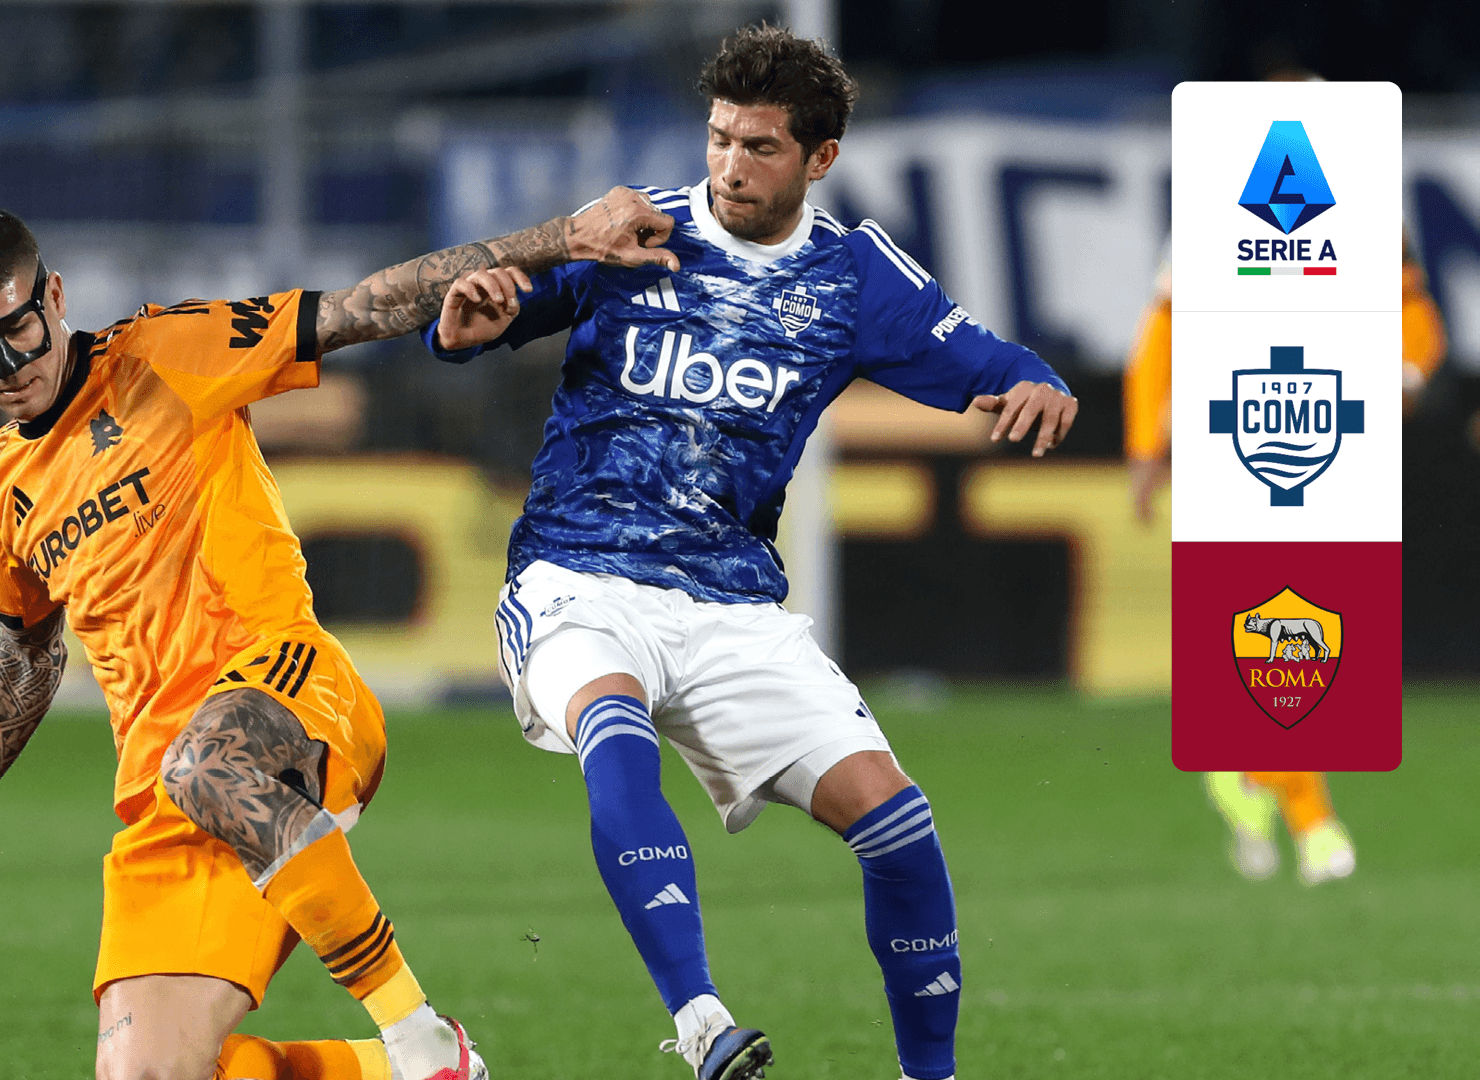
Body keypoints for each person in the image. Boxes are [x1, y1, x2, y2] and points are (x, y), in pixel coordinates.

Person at [0, 195, 674, 1080]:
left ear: (55, 297)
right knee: (153, 1076)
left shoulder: (166, 353)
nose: (7, 364)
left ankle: (415, 1035)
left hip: (285, 690)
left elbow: (362, 307)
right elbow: (26, 654)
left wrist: (560, 239)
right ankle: (422, 1073)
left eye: (17, 330)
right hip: (161, 794)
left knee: (205, 764)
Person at [422, 25, 1076, 1080]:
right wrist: (466, 322)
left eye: (760, 146)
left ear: (820, 158)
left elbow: (988, 359)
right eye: (720, 137)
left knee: (899, 825)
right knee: (614, 731)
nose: (730, 165)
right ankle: (701, 1023)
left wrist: (1037, 379)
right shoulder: (632, 228)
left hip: (732, 606)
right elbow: (482, 315)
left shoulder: (852, 276)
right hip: (578, 576)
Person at [1122, 68, 1448, 888]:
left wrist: (1406, 370)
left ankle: (1246, 770)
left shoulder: (1367, 219)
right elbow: (1161, 334)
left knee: (1305, 629)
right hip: (1233, 439)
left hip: (1327, 439)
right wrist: (1146, 443)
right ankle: (1314, 820)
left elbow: (1416, 314)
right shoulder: (1216, 222)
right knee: (1279, 621)